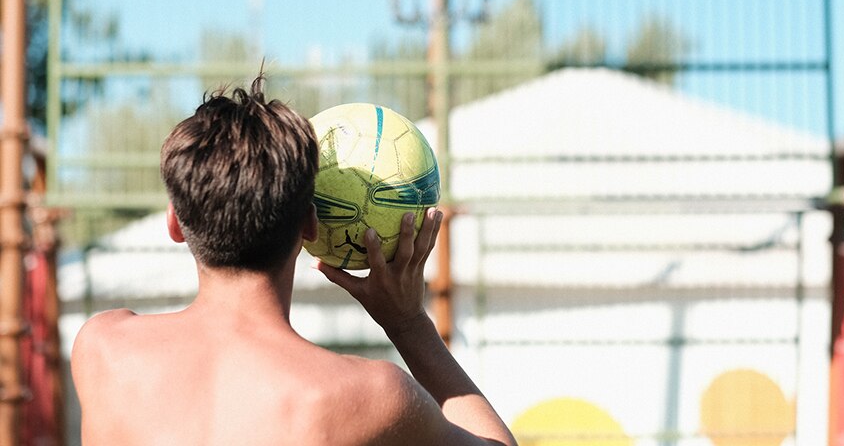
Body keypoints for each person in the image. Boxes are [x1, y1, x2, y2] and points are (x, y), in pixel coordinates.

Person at [71, 76, 518, 446]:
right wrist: (407, 323)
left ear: (174, 221)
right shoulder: (367, 397)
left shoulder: (102, 349)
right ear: (310, 226)